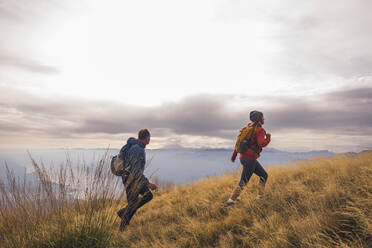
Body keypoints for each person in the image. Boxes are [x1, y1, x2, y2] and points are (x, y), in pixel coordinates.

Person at [226, 111, 271, 205]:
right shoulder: (259, 130)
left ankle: (260, 197)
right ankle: (230, 202)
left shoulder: (247, 127)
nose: (264, 119)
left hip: (244, 157)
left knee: (264, 175)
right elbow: (261, 143)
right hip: (250, 159)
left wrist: (234, 156)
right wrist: (268, 137)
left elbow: (239, 143)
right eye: (262, 117)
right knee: (243, 181)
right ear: (259, 119)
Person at [117, 128, 157, 231]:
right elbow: (135, 170)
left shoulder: (140, 147)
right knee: (133, 203)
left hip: (134, 179)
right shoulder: (136, 149)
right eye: (149, 137)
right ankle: (121, 230)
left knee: (147, 196)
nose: (150, 139)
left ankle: (123, 212)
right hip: (131, 179)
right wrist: (148, 183)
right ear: (146, 137)